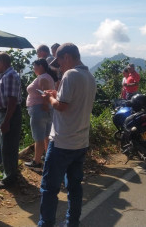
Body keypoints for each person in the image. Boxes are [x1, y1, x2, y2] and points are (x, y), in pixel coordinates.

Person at [38, 43, 96, 227]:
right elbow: (71, 100)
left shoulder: (70, 74)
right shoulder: (89, 76)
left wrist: (49, 98)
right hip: (80, 142)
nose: (59, 66)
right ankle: (72, 223)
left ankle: (45, 224)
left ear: (68, 57)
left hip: (62, 142)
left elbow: (62, 106)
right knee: (74, 188)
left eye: (60, 61)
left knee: (49, 188)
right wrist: (56, 94)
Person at [0, 52, 22, 189]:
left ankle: (9, 178)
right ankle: (10, 173)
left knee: (8, 147)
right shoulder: (7, 75)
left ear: (3, 63)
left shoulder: (9, 76)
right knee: (7, 145)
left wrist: (6, 121)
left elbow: (12, 100)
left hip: (9, 113)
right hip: (6, 112)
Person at [24, 59, 56, 168]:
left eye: (35, 67)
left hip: (40, 109)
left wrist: (45, 104)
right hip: (45, 109)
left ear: (41, 66)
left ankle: (36, 161)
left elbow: (45, 92)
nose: (33, 69)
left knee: (39, 137)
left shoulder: (43, 78)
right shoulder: (46, 76)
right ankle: (48, 158)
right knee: (46, 135)